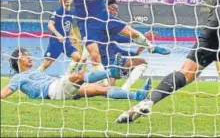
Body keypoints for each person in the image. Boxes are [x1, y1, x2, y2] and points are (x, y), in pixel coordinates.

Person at [62, 0, 168, 85]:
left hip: (103, 16)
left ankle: (151, 48)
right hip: (87, 22)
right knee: (94, 55)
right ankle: (105, 85)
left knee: (132, 32)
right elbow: (64, 1)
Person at [1, 48, 151, 101]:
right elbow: (4, 93)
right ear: (17, 60)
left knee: (101, 89)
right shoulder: (17, 78)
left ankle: (136, 96)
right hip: (53, 91)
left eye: (29, 54)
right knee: (79, 75)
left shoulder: (36, 72)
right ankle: (113, 71)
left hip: (61, 87)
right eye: (25, 55)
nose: (29, 57)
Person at [98, 0, 168, 89]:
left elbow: (115, 46)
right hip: (107, 60)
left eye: (117, 10)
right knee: (141, 63)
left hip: (109, 59)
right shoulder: (105, 23)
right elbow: (118, 40)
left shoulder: (108, 27)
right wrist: (139, 38)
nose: (115, 12)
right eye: (113, 9)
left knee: (110, 85)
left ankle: (118, 89)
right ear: (107, 8)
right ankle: (123, 90)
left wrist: (134, 52)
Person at [38, 0, 81, 74]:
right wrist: (58, 35)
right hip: (56, 42)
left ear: (72, 0)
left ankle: (67, 77)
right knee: (47, 64)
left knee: (77, 57)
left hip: (66, 42)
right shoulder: (59, 11)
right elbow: (50, 24)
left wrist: (73, 35)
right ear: (62, 0)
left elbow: (69, 25)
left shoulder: (71, 14)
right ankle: (34, 76)